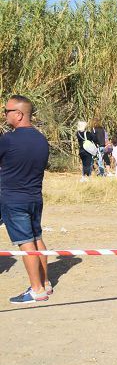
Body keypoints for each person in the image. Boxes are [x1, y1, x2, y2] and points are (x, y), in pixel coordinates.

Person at [0, 95, 52, 304]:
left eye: (7, 111)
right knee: (37, 238)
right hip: (34, 198)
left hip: (14, 200)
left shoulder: (8, 140)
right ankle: (45, 282)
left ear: (19, 114)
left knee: (26, 244)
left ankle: (37, 289)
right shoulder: (41, 140)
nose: (4, 115)